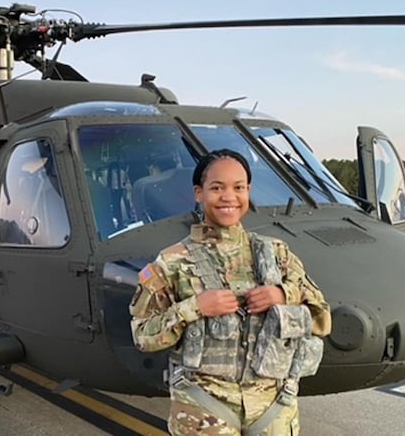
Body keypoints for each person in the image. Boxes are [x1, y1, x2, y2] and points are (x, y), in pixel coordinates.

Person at [129, 149, 332, 435]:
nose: (228, 197)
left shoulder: (276, 254)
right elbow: (143, 335)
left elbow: (323, 319)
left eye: (238, 188)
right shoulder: (172, 262)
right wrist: (194, 307)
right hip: (203, 407)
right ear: (199, 193)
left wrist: (282, 294)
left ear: (248, 191)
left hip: (273, 404)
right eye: (217, 188)